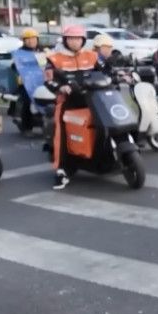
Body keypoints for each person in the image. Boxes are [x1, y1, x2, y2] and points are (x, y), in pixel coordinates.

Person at [44, 25, 99, 190]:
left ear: (83, 40)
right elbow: (48, 80)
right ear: (65, 40)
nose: (75, 42)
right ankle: (61, 170)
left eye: (78, 39)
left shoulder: (92, 56)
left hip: (92, 99)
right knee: (61, 133)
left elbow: (105, 70)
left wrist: (120, 74)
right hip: (68, 102)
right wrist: (60, 87)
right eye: (71, 39)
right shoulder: (55, 59)